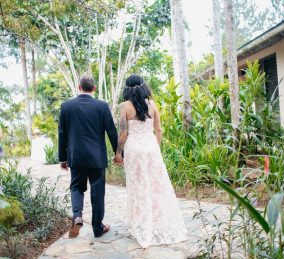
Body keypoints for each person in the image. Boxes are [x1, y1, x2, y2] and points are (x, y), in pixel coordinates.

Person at [114, 74, 187, 248]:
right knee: (155, 184)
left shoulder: (124, 106)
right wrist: (156, 148)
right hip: (151, 147)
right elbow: (159, 130)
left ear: (127, 88)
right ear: (143, 86)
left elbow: (123, 133)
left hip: (134, 150)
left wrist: (118, 153)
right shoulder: (153, 105)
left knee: (137, 184)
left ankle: (140, 222)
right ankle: (155, 221)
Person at [58, 75, 118, 238]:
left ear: (79, 88)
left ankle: (77, 215)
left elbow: (62, 133)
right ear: (94, 89)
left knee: (77, 187)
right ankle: (97, 228)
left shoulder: (66, 106)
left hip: (76, 156)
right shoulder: (102, 106)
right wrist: (119, 153)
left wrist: (63, 158)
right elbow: (111, 131)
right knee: (97, 192)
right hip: (97, 158)